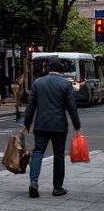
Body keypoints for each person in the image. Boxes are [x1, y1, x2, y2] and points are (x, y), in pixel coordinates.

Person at [24, 56, 83, 198]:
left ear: (48, 67)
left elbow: (31, 105)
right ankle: (57, 187)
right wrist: (77, 125)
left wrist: (27, 123)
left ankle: (34, 182)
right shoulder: (66, 84)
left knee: (38, 152)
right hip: (59, 125)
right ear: (61, 70)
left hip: (41, 124)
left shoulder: (37, 82)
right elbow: (71, 106)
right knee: (58, 154)